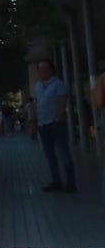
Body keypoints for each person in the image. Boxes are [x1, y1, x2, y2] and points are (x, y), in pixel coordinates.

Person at [33, 58, 76, 193]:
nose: (43, 71)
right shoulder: (37, 86)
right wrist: (35, 120)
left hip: (56, 124)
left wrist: (58, 118)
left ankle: (71, 182)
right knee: (49, 155)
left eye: (46, 68)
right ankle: (56, 181)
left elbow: (62, 102)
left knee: (64, 153)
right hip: (42, 124)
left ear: (51, 69)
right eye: (40, 68)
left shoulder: (58, 84)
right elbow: (37, 103)